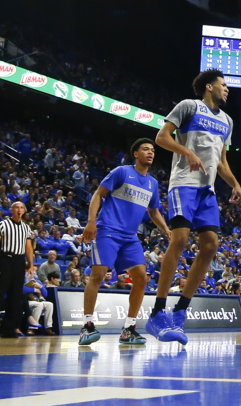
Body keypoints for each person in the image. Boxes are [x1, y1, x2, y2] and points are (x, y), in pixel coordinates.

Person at [147, 71, 241, 345]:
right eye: (223, 85)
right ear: (209, 86)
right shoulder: (188, 106)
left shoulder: (227, 121)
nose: (227, 90)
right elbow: (161, 137)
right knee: (179, 239)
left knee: (211, 245)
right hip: (184, 183)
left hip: (208, 189)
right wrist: (187, 152)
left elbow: (222, 161)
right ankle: (157, 312)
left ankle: (180, 311)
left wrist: (235, 184)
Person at [78, 138, 168, 346]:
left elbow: (153, 211)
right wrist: (91, 222)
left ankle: (128, 329)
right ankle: (87, 325)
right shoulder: (121, 172)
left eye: (153, 150)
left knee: (141, 278)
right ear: (136, 154)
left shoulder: (153, 184)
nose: (150, 153)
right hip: (108, 230)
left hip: (130, 236)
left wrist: (166, 230)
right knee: (98, 275)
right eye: (145, 149)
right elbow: (98, 194)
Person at [0, 201, 34, 338]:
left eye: (21, 208)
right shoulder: (2, 224)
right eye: (16, 207)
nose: (19, 210)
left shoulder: (26, 228)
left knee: (15, 297)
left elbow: (29, 248)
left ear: (24, 211)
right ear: (12, 210)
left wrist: (30, 265)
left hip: (19, 262)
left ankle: (9, 329)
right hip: (5, 260)